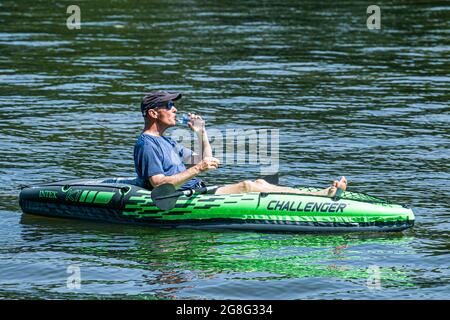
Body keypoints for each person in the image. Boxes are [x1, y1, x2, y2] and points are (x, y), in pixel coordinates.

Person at [134, 90, 347, 196]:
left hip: (196, 192)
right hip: (179, 199)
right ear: (153, 113)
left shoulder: (167, 141)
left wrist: (201, 133)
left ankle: (317, 193)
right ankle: (322, 195)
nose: (175, 109)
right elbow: (159, 184)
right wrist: (198, 168)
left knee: (260, 184)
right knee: (248, 186)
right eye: (169, 105)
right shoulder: (147, 144)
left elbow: (206, 161)